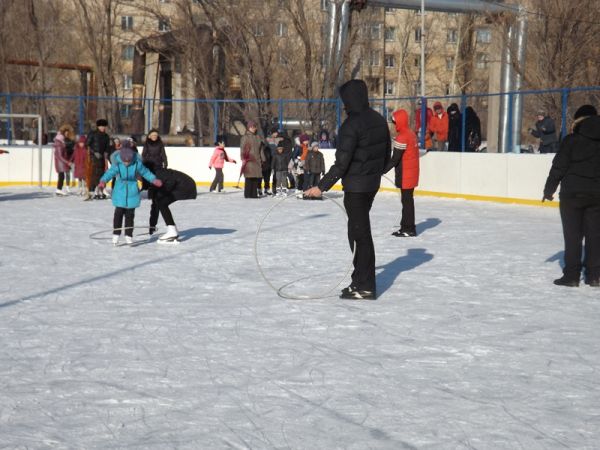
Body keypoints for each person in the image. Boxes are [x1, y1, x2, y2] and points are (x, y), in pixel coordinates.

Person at [304, 79, 390, 300]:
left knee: (360, 235)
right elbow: (386, 157)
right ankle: (359, 280)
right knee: (357, 232)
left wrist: (321, 187)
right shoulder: (379, 120)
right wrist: (373, 174)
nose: (344, 105)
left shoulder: (351, 125)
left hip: (356, 189)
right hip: (370, 186)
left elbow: (341, 163)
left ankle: (365, 285)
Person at [543, 104, 600, 287]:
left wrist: (549, 190)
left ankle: (572, 276)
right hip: (597, 195)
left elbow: (558, 167)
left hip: (572, 196)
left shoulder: (571, 140)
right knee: (595, 235)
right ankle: (594, 276)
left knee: (573, 236)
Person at [98, 143, 162, 246]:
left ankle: (128, 235)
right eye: (125, 161)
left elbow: (146, 173)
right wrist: (103, 181)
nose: (127, 163)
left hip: (132, 190)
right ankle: (116, 234)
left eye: (128, 161)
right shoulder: (117, 164)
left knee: (130, 215)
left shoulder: (137, 164)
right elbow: (109, 173)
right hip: (120, 190)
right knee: (118, 213)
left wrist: (154, 180)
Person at [385, 109, 420, 237]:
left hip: (406, 174)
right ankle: (406, 226)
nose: (394, 125)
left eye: (395, 122)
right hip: (412, 173)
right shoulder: (411, 134)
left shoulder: (402, 137)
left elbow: (395, 159)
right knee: (408, 200)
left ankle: (408, 229)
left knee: (406, 202)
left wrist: (382, 170)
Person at [149, 167, 198, 243]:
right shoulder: (152, 175)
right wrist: (152, 225)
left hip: (184, 185)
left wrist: (163, 194)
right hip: (181, 184)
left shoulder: (157, 173)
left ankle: (172, 231)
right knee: (161, 202)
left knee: (162, 203)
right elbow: (155, 203)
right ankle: (172, 230)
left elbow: (171, 181)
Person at [85, 119, 111, 200]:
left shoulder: (106, 136)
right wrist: (94, 152)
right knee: (93, 174)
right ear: (98, 126)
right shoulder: (92, 134)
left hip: (102, 157)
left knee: (101, 174)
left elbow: (107, 147)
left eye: (104, 126)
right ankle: (91, 191)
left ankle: (99, 190)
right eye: (101, 126)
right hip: (93, 157)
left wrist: (106, 155)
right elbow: (87, 145)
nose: (102, 128)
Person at [239, 120, 265, 198]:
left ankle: (254, 194)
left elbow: (261, 149)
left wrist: (263, 158)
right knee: (249, 177)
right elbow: (242, 148)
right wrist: (243, 158)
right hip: (249, 159)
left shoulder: (258, 137)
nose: (254, 128)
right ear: (249, 128)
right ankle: (247, 194)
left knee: (255, 177)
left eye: (254, 127)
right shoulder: (245, 137)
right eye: (252, 127)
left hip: (257, 159)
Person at [52, 128, 71, 196]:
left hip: (60, 163)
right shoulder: (59, 145)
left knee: (61, 176)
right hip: (60, 164)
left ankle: (59, 189)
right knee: (61, 176)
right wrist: (67, 162)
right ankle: (58, 190)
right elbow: (60, 156)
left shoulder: (59, 144)